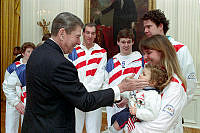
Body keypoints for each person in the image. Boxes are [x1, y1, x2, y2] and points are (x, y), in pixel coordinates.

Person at [21, 12, 149, 133]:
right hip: (52, 127)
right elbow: (85, 101)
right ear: (62, 33)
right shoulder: (60, 63)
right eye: (77, 36)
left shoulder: (37, 53)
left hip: (33, 125)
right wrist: (121, 88)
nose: (78, 42)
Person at [129, 34, 187, 132]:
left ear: (163, 53)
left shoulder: (174, 86)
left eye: (149, 53)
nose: (144, 57)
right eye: (143, 53)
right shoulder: (149, 75)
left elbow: (160, 126)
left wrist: (129, 128)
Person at [141, 9, 197, 104]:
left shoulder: (180, 49)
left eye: (149, 26)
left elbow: (190, 83)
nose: (145, 31)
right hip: (149, 108)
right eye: (144, 27)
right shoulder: (146, 53)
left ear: (160, 26)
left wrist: (174, 107)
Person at [67, 23, 107, 133]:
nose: (90, 36)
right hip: (76, 96)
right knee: (75, 129)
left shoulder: (102, 52)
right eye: (87, 32)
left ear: (96, 35)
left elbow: (100, 76)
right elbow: (71, 74)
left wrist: (86, 92)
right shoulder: (73, 51)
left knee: (93, 130)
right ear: (83, 33)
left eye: (93, 33)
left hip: (94, 97)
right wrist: (79, 92)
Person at [103, 28, 144, 133]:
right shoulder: (111, 61)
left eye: (129, 42)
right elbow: (105, 84)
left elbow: (143, 86)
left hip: (132, 105)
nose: (126, 45)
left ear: (133, 42)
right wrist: (114, 99)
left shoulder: (140, 60)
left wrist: (129, 100)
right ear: (118, 42)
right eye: (123, 42)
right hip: (113, 105)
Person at [111, 64, 168, 132]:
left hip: (140, 117)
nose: (140, 75)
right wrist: (120, 95)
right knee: (114, 117)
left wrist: (137, 112)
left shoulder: (153, 95)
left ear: (152, 82)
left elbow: (152, 114)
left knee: (122, 118)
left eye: (143, 74)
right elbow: (130, 95)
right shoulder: (140, 89)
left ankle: (111, 131)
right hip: (130, 111)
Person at [2, 42, 35, 133]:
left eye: (33, 52)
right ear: (23, 53)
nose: (31, 54)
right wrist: (14, 101)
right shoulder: (13, 67)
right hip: (13, 100)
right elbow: (7, 84)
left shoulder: (34, 66)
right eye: (28, 51)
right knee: (11, 125)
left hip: (26, 100)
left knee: (27, 125)